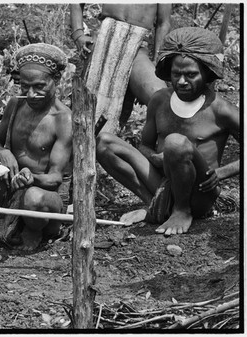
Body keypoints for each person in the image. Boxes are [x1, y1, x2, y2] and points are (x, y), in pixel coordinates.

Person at [96, 27, 240, 235]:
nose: (182, 81)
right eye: (176, 74)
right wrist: (154, 157)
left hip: (200, 193)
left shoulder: (221, 109)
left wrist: (220, 173)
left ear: (208, 74)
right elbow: (145, 145)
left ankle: (182, 211)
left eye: (191, 75)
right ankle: (154, 206)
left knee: (175, 142)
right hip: (163, 182)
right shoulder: (160, 100)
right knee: (104, 142)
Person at [0, 43, 73, 251]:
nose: (31, 94)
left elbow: (55, 178)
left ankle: (34, 229)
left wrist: (31, 178)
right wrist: (4, 152)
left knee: (33, 197)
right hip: (10, 187)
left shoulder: (63, 120)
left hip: (45, 195)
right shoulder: (16, 104)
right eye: (24, 86)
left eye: (39, 86)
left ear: (56, 81)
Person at [70, 4, 172, 133]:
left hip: (139, 44)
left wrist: (158, 58)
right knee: (84, 103)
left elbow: (163, 23)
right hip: (104, 38)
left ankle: (152, 147)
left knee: (161, 99)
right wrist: (78, 34)